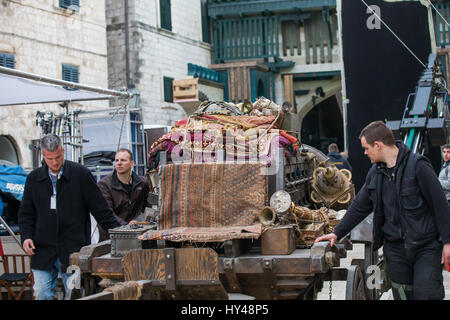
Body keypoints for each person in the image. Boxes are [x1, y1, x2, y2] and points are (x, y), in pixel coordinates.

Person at [315, 121, 450, 300]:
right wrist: (336, 233)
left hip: (425, 248)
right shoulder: (375, 173)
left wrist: (447, 242)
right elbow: (358, 207)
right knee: (402, 295)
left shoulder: (418, 166)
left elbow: (440, 205)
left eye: (366, 148)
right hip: (396, 251)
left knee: (427, 295)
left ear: (377, 145)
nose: (364, 153)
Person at [18, 134, 120, 300]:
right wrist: (26, 236)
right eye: (50, 158)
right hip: (42, 250)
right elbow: (26, 214)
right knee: (41, 293)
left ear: (63, 151)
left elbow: (101, 209)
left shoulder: (81, 175)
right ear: (43, 155)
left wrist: (118, 233)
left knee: (74, 294)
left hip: (74, 249)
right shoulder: (33, 179)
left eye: (58, 157)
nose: (55, 162)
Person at [97, 148, 150, 241]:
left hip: (135, 234)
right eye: (116, 160)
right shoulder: (104, 185)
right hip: (110, 236)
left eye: (123, 160)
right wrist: (126, 225)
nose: (119, 163)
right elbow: (107, 213)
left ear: (132, 163)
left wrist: (140, 221)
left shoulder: (142, 183)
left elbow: (147, 207)